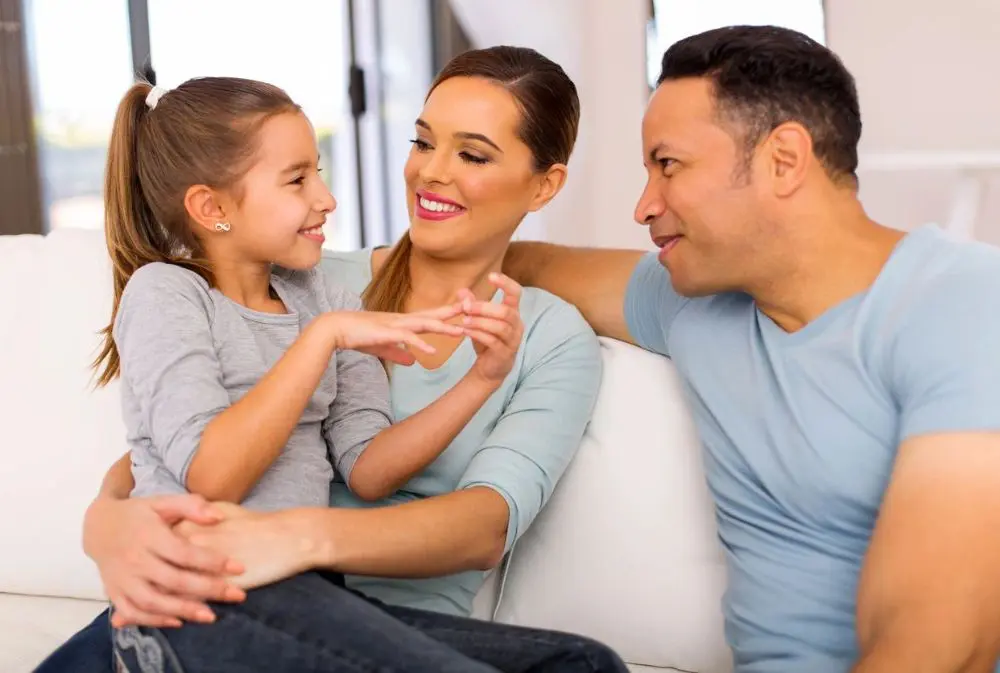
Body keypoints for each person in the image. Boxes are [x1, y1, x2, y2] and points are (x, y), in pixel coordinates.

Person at [37, 47, 625, 673]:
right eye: (423, 142)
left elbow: (413, 493)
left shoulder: (532, 334)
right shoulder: (298, 278)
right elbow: (166, 449)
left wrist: (484, 377)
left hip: (338, 604)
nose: (431, 173)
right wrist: (106, 525)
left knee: (585, 664)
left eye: (473, 154)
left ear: (545, 184)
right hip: (229, 593)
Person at [500, 25, 1000, 673]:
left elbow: (935, 647)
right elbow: (526, 263)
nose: (643, 205)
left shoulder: (961, 302)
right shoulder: (693, 299)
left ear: (783, 160)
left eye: (668, 164)